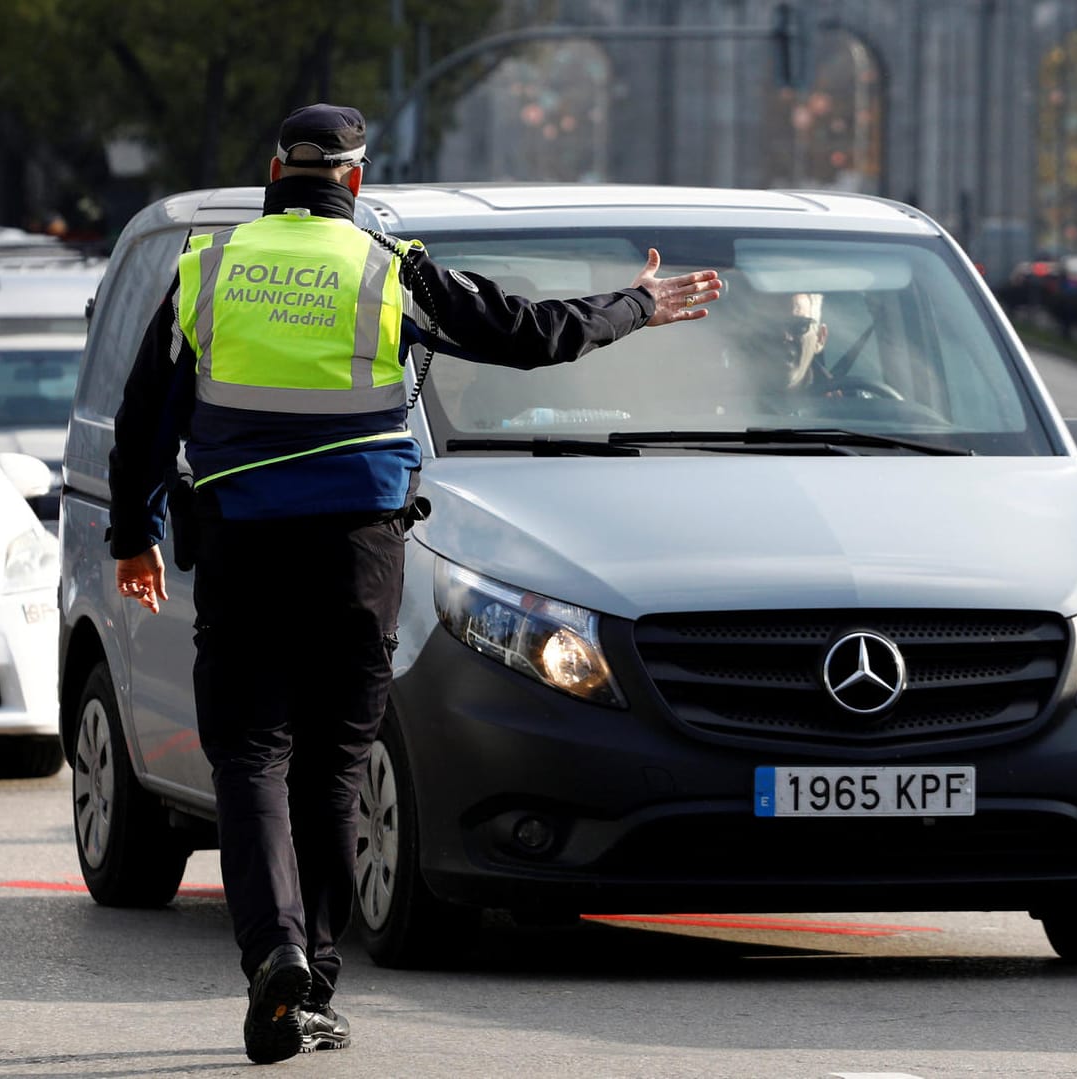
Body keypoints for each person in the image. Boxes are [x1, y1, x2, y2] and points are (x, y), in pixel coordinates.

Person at [107, 103, 721, 1064]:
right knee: (335, 764)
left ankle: (273, 955)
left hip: (242, 548)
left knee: (250, 756)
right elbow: (526, 334)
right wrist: (637, 304)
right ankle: (310, 971)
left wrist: (131, 534)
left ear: (276, 170)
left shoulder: (209, 267)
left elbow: (149, 410)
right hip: (358, 551)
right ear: (354, 179)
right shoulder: (389, 268)